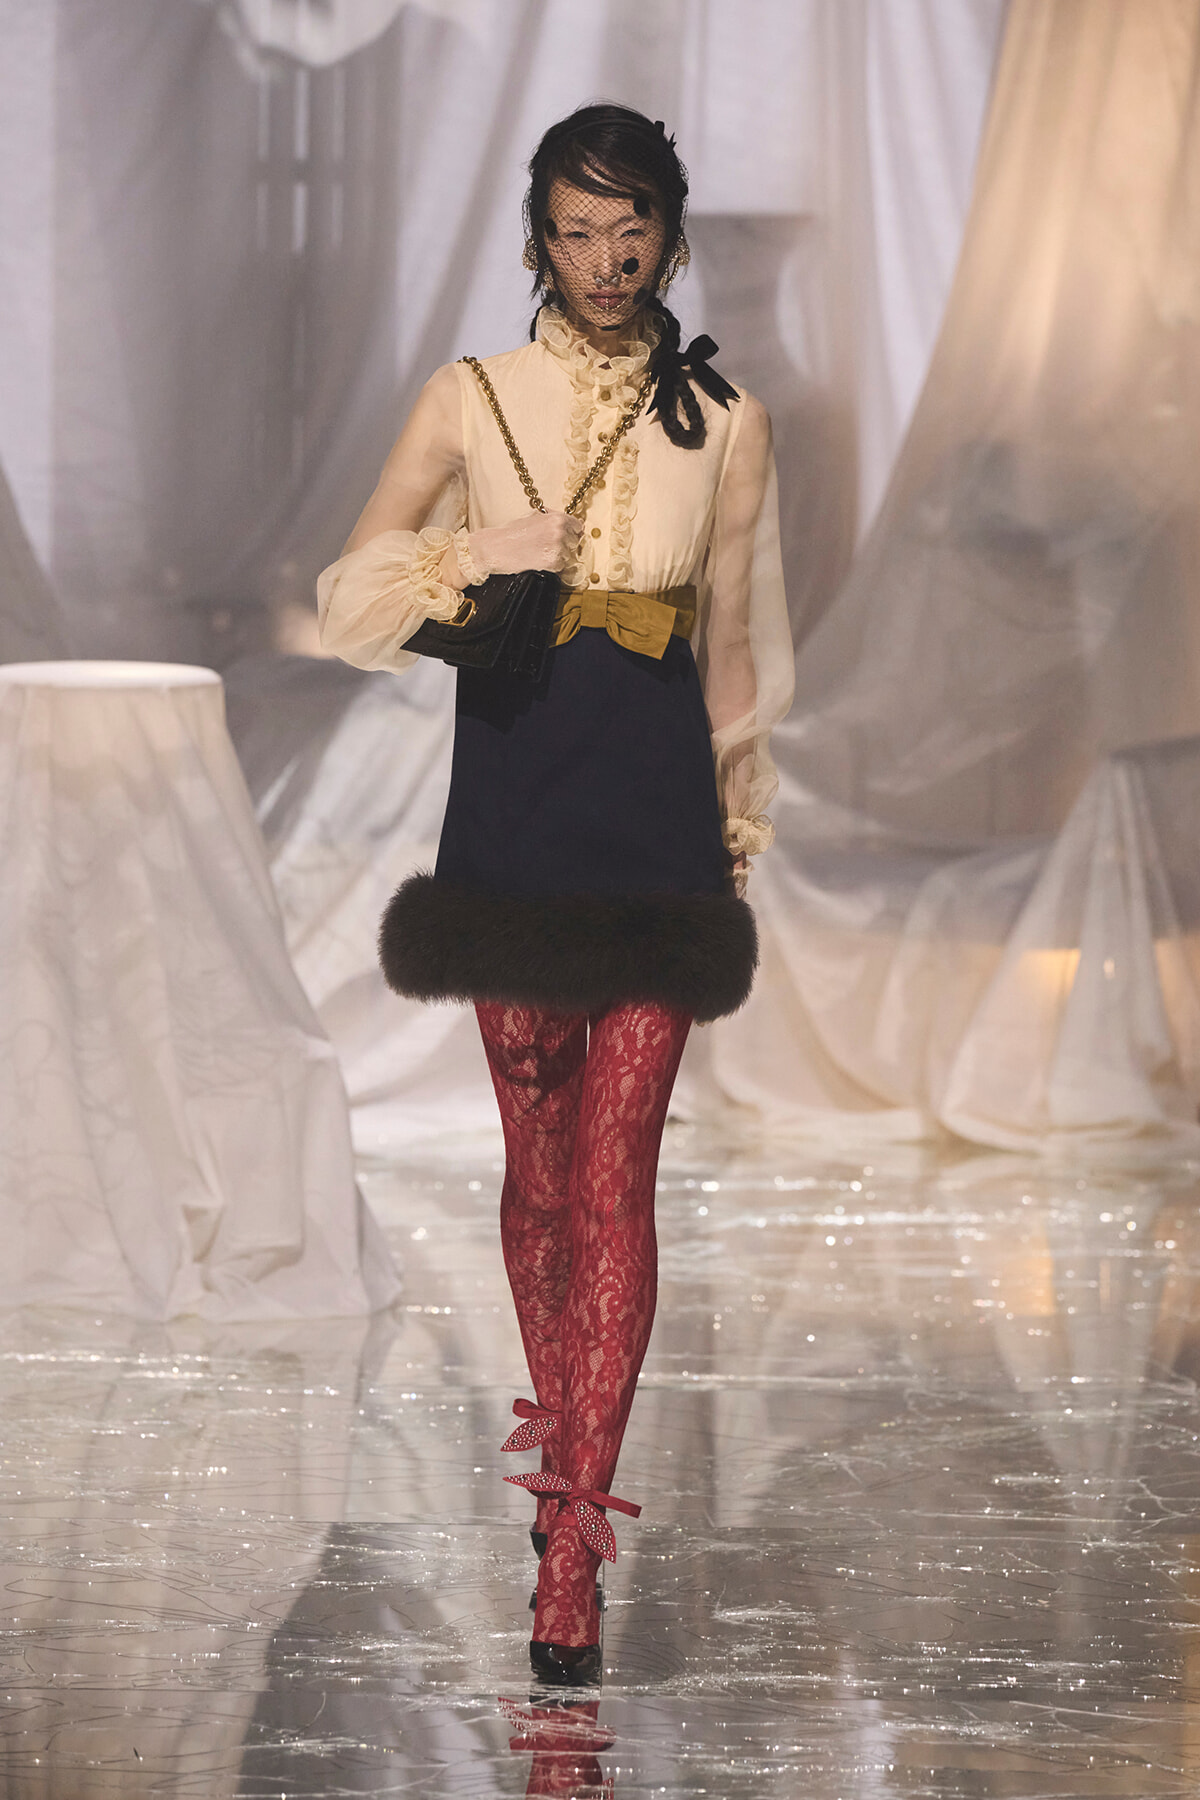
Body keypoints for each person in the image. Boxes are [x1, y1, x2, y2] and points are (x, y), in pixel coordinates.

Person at [317, 103, 793, 1684]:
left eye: (631, 224)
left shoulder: (723, 416)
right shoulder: (473, 400)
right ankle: (565, 1463)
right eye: (576, 230)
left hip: (655, 821)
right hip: (517, 807)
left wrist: (736, 838)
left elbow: (741, 657)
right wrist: (478, 556)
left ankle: (574, 1530)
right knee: (536, 1176)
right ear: (540, 240)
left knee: (617, 1182)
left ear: (667, 229)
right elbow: (349, 596)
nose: (606, 259)